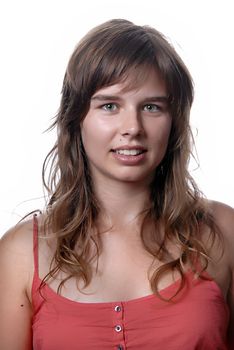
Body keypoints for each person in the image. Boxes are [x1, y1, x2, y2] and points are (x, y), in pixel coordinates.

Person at [0, 18, 233, 350]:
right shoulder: (21, 254)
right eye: (109, 105)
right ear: (75, 118)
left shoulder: (223, 231)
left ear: (174, 121)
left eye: (152, 107)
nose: (132, 127)